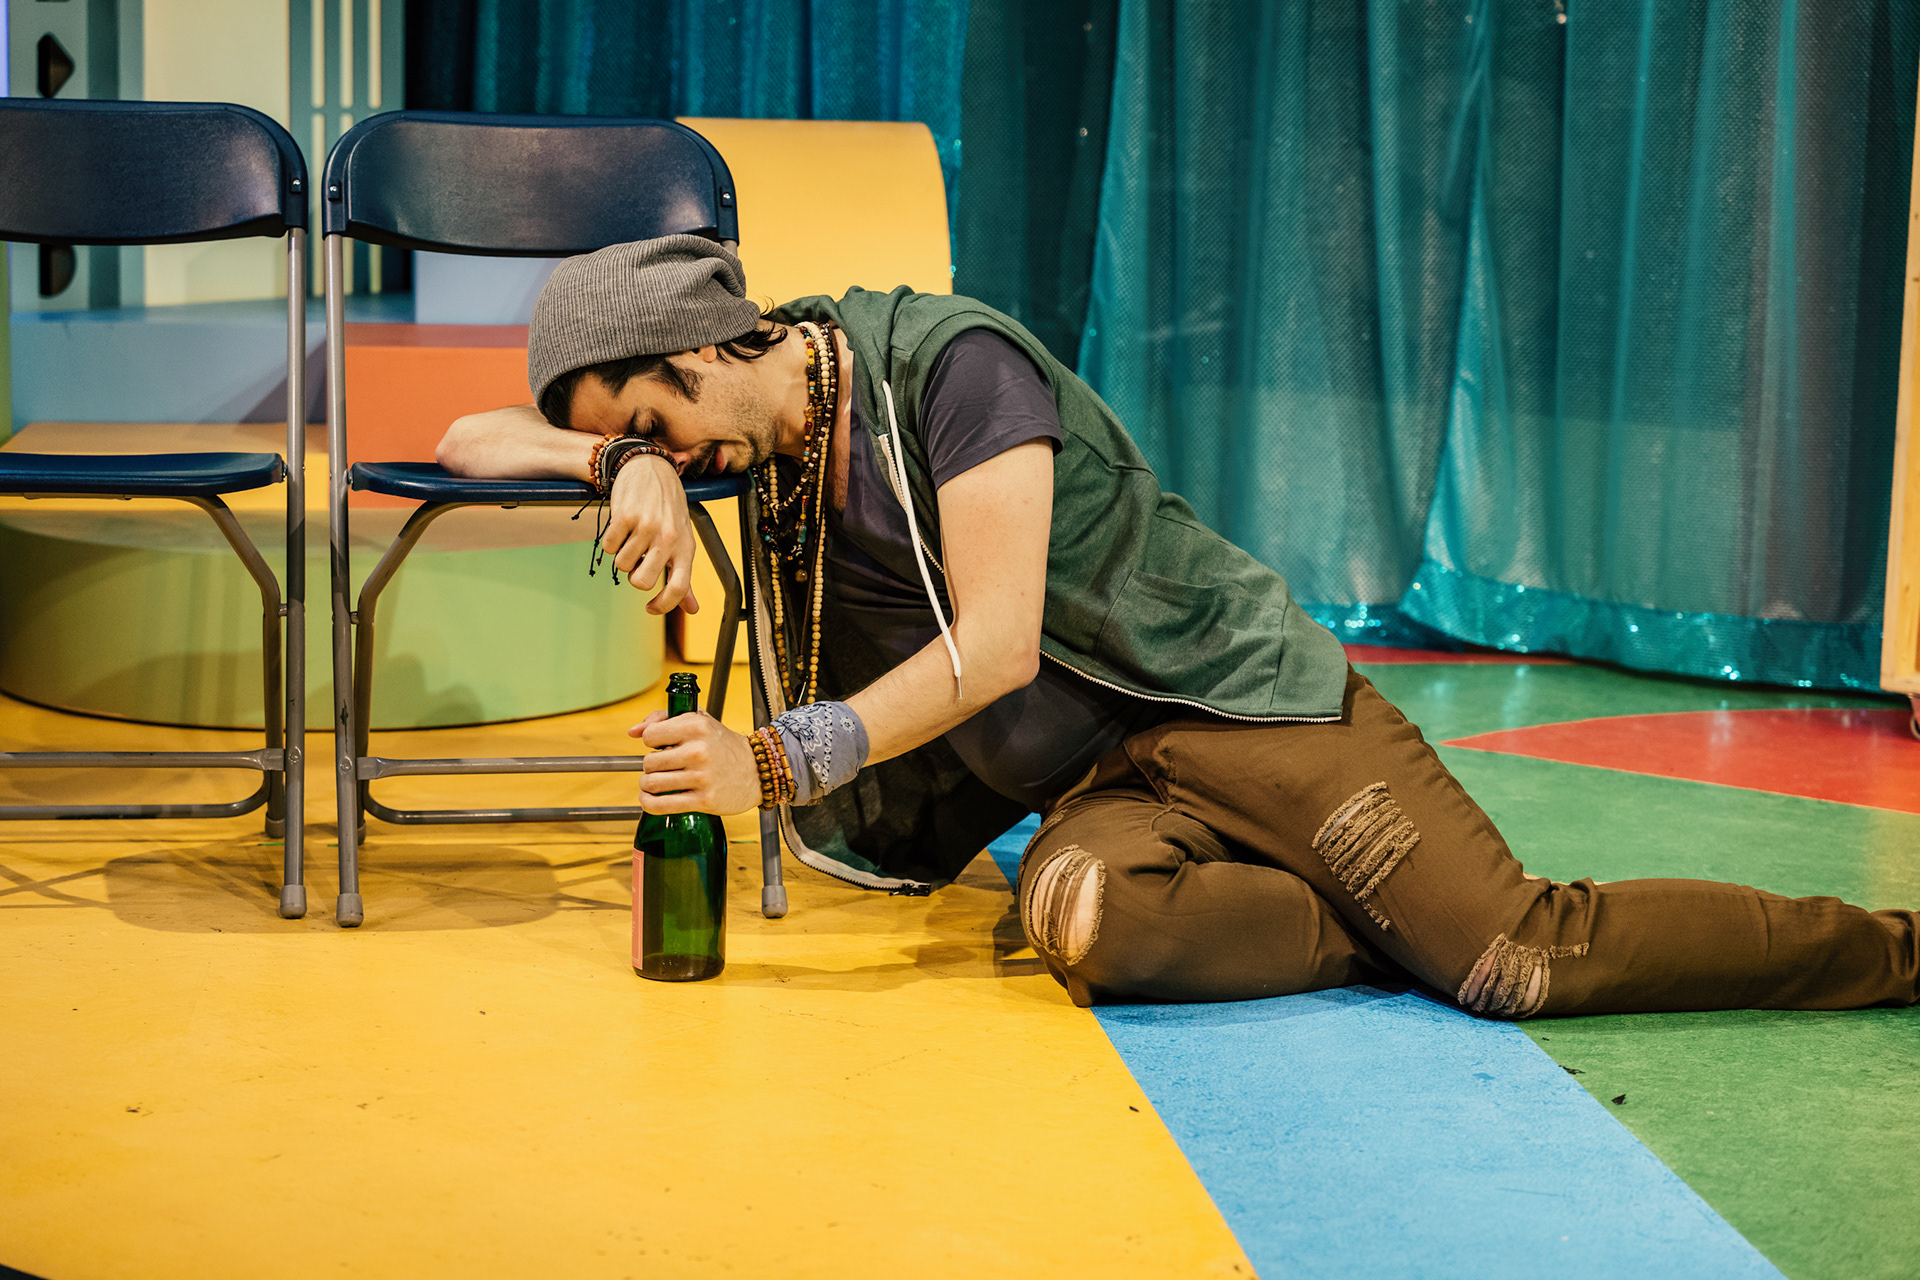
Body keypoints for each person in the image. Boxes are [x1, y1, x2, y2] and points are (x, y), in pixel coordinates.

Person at [438, 235, 1919, 1017]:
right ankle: (1381, 934)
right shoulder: (748, 429)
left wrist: (774, 760)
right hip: (1102, 784)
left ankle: (1891, 953)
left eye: (659, 423)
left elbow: (996, 648)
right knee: (1084, 919)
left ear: (707, 346)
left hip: (1228, 706)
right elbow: (463, 437)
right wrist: (617, 460)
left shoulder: (949, 369)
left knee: (1512, 961)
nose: (679, 462)